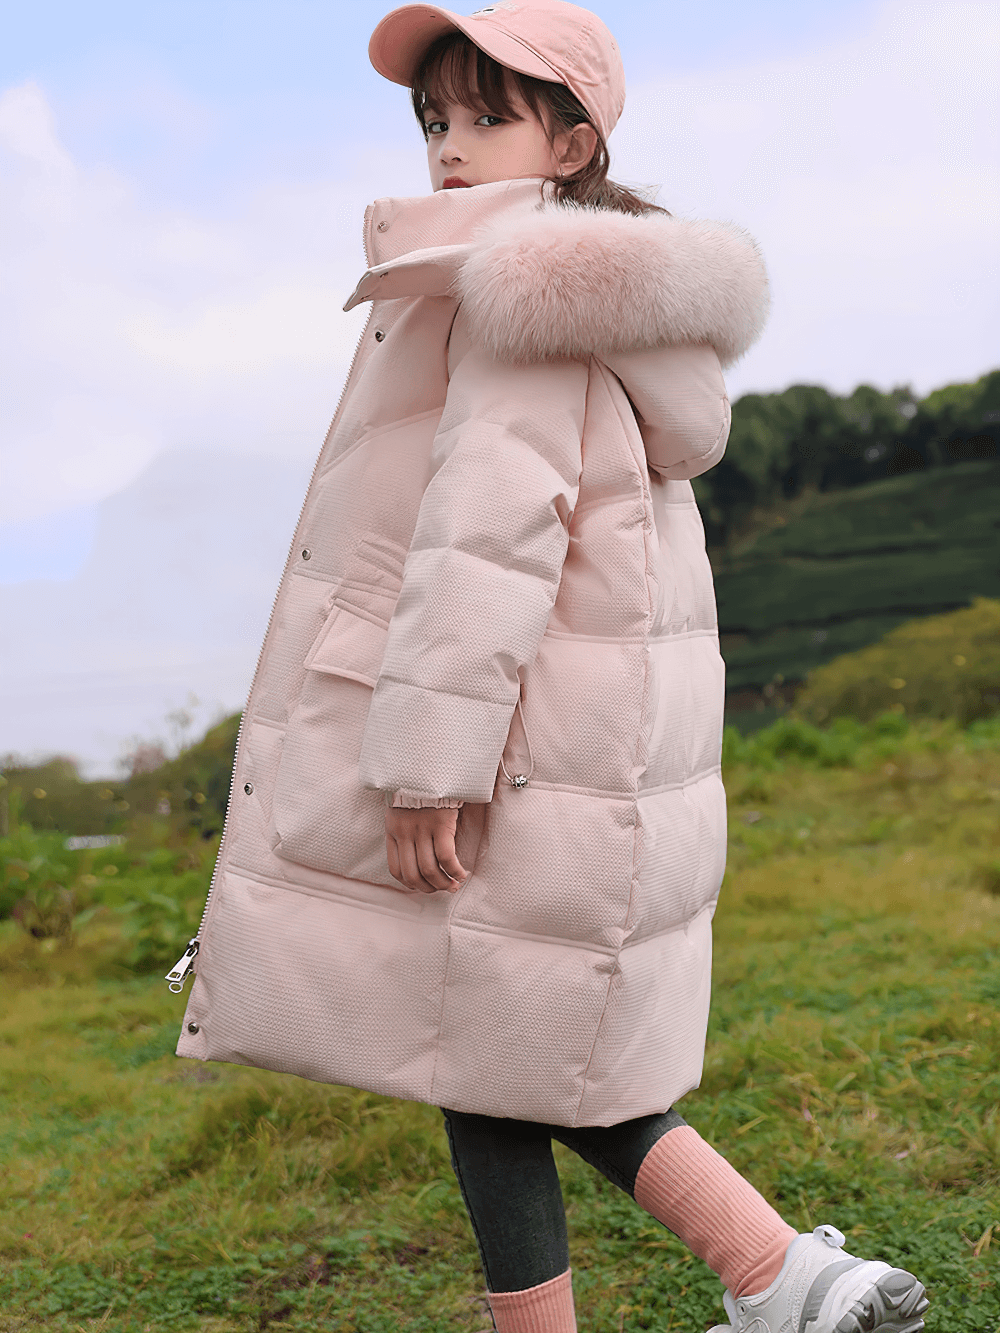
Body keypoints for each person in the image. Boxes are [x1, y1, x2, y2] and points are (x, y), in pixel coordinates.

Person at [171, 3, 930, 1330]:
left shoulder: (522, 286)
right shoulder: (606, 304)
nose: (450, 150)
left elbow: (488, 540)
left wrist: (429, 768)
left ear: (574, 140)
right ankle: (786, 1274)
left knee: (488, 1046)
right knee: (496, 1044)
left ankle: (782, 1275)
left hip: (513, 741)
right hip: (582, 740)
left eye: (487, 117)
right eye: (434, 122)